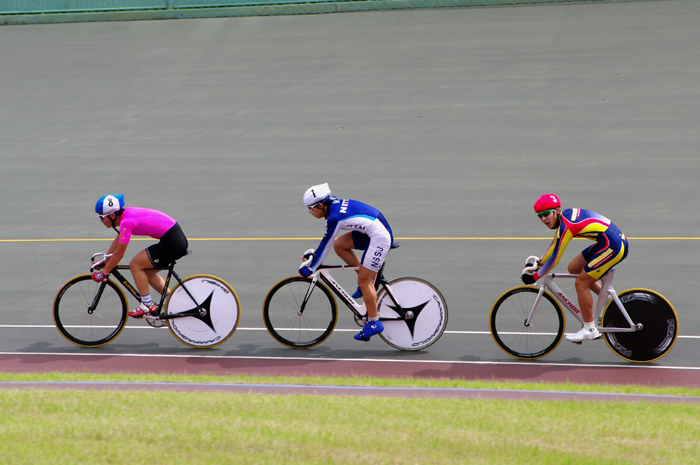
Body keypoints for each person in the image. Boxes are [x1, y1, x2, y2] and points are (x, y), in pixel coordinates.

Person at [522, 193, 629, 342]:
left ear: (557, 210)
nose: (543, 219)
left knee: (580, 283)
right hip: (607, 242)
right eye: (539, 216)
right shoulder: (564, 218)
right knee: (573, 268)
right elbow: (554, 245)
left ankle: (589, 329)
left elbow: (555, 259)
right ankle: (606, 300)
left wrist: (534, 276)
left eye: (546, 214)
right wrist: (539, 263)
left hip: (613, 246)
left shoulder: (567, 226)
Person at [299, 183, 394, 342]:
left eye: (310, 208)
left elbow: (325, 246)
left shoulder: (334, 217)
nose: (310, 212)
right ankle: (368, 280)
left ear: (320, 205)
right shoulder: (334, 208)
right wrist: (316, 255)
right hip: (372, 231)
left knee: (363, 282)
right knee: (340, 245)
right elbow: (328, 242)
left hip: (379, 237)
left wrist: (312, 267)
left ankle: (373, 322)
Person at [92, 195, 189, 318]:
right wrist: (106, 261)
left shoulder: (126, 222)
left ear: (112, 215)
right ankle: (173, 301)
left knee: (135, 265)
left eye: (101, 217)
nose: (100, 220)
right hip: (173, 238)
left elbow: (119, 254)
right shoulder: (125, 217)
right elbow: (118, 241)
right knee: (146, 274)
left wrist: (104, 272)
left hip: (173, 242)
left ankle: (147, 304)